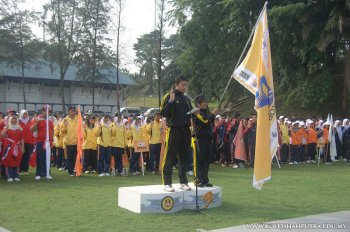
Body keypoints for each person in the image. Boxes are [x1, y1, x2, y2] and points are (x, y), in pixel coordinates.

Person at [160, 75, 192, 192]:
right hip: (174, 130)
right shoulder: (169, 96)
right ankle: (167, 183)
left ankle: (183, 182)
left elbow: (189, 115)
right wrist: (171, 101)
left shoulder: (186, 99)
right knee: (170, 156)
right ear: (177, 84)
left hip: (185, 130)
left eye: (186, 85)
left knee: (184, 157)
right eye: (183, 85)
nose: (184, 87)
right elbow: (164, 113)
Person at [192, 95, 215, 187]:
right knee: (199, 160)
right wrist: (212, 114)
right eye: (204, 102)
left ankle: (205, 179)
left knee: (206, 160)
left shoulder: (207, 113)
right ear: (198, 104)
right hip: (199, 139)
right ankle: (198, 179)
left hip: (208, 139)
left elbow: (209, 121)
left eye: (206, 102)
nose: (206, 103)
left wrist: (211, 115)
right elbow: (205, 121)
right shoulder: (196, 113)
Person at [30, 106, 54, 180]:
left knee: (48, 157)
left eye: (49, 111)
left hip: (48, 142)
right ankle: (39, 173)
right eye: (45, 111)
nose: (47, 113)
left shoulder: (50, 121)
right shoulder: (38, 120)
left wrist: (51, 141)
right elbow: (31, 130)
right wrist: (36, 122)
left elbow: (52, 131)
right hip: (40, 141)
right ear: (42, 111)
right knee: (40, 157)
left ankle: (47, 173)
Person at [1, 114, 24, 182]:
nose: (14, 120)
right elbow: (2, 135)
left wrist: (23, 147)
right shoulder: (7, 127)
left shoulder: (20, 128)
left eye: (15, 118)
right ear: (10, 119)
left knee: (17, 160)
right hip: (9, 147)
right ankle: (9, 176)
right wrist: (6, 129)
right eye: (13, 118)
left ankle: (16, 175)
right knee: (9, 160)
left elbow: (22, 138)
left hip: (17, 146)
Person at [61, 106, 78, 176]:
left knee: (75, 157)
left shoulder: (78, 119)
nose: (73, 112)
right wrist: (65, 126)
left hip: (77, 141)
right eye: (72, 111)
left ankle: (75, 169)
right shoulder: (65, 120)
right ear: (69, 111)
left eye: (74, 111)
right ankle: (70, 170)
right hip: (69, 141)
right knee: (70, 157)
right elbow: (62, 131)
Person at [19, 110, 34, 175]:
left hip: (29, 141)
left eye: (26, 114)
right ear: (21, 114)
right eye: (24, 114)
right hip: (20, 141)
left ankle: (25, 170)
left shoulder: (30, 121)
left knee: (27, 156)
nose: (25, 115)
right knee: (20, 156)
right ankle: (19, 169)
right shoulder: (18, 121)